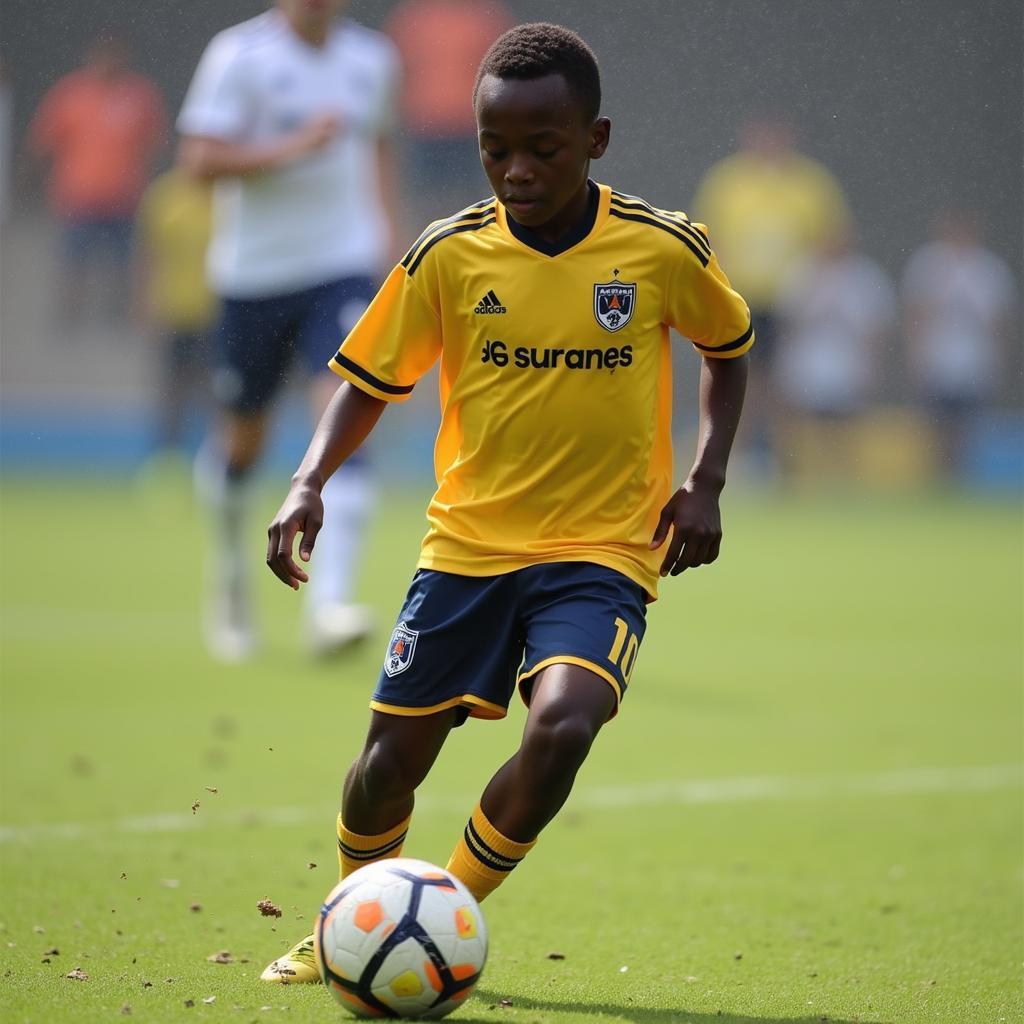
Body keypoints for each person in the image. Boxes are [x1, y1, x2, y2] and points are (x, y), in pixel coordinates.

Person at [261, 23, 752, 987]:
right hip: (467, 550)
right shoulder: (449, 254)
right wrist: (306, 479)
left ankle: (432, 913)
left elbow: (728, 347)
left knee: (566, 727)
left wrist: (706, 481)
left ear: (596, 140)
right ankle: (352, 919)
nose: (515, 169)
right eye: (495, 150)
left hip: (604, 550)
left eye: (544, 147)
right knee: (384, 769)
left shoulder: (659, 248)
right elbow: (367, 378)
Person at [176, 0, 401, 661]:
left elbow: (379, 145)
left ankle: (330, 604)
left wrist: (386, 236)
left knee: (347, 412)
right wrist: (291, 148)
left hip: (341, 266)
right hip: (253, 277)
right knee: (243, 440)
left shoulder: (373, 59)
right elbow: (198, 162)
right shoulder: (238, 57)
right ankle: (231, 581)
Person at [691, 116, 849, 469]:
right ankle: (740, 460)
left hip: (791, 303)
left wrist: (812, 283)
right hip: (739, 298)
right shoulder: (729, 181)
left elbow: (833, 239)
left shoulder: (809, 183)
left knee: (785, 385)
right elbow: (703, 236)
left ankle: (784, 462)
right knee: (736, 380)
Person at [27, 34, 167, 324]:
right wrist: (37, 182)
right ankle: (69, 317)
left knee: (122, 264)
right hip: (78, 195)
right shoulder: (70, 93)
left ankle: (114, 317)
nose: (108, 63)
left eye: (115, 55)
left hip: (125, 196)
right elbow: (43, 141)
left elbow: (156, 144)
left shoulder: (139, 95)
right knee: (74, 261)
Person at [774, 230, 895, 483]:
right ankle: (803, 475)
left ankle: (844, 474)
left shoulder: (864, 276)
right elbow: (789, 321)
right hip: (809, 360)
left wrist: (873, 364)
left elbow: (876, 326)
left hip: (848, 361)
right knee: (804, 421)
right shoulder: (802, 272)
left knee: (847, 422)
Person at [902, 209, 1017, 476]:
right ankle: (937, 473)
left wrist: (999, 360)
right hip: (938, 358)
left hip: (974, 360)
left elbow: (1000, 322)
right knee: (936, 422)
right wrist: (916, 356)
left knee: (969, 424)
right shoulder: (929, 265)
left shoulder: (989, 270)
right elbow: (915, 314)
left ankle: (962, 473)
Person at [384, 0, 514, 225]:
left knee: (472, 194)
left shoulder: (483, 16)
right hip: (427, 126)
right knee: (430, 195)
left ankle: (470, 243)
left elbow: (506, 71)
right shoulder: (414, 17)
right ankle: (437, 245)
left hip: (471, 125)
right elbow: (393, 71)